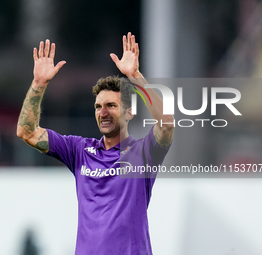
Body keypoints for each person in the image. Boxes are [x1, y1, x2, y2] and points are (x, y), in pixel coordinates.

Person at [17, 32, 174, 255]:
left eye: (111, 105)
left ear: (129, 112)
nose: (103, 112)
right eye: (98, 107)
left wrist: (135, 76)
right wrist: (39, 83)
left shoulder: (143, 153)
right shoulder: (79, 150)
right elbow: (26, 131)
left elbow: (166, 124)